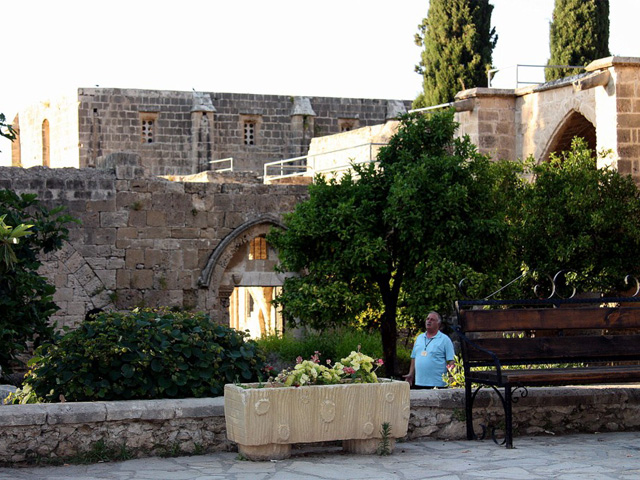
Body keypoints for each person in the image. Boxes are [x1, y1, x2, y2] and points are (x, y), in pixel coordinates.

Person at [404, 311, 455, 389]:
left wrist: (451, 376)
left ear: (438, 324)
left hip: (437, 384)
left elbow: (451, 360)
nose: (429, 321)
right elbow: (414, 357)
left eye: (432, 319)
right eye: (427, 319)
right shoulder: (419, 338)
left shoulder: (445, 340)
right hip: (419, 382)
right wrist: (411, 374)